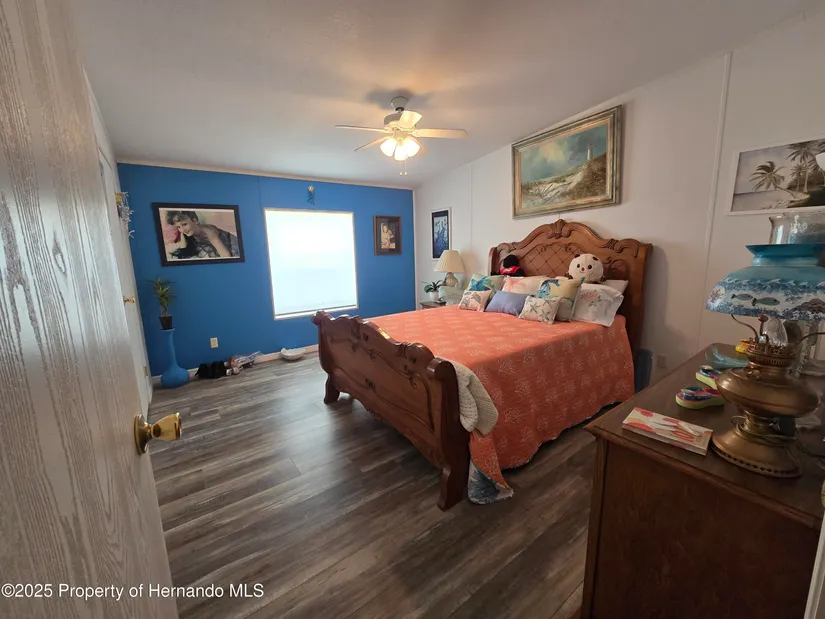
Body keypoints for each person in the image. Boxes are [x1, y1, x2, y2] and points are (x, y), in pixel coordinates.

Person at [164, 210, 239, 260]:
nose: (182, 230)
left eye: (184, 224)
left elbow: (226, 256)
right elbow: (183, 249)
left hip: (228, 242)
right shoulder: (185, 231)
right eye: (178, 227)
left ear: (194, 220)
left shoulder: (209, 232)